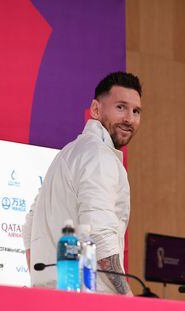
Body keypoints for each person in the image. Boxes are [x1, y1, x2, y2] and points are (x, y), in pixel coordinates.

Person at [22, 72, 142, 295]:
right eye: (120, 107)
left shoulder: (68, 153)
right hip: (92, 300)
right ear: (96, 110)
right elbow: (100, 233)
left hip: (50, 297)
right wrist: (126, 296)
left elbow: (30, 223)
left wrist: (46, 280)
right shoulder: (99, 156)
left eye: (136, 111)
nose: (129, 118)